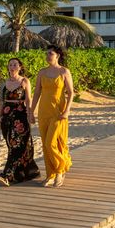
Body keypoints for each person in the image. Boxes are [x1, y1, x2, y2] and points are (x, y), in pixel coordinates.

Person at [29, 45, 73, 188]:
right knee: (45, 144)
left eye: (50, 54)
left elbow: (71, 93)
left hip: (58, 112)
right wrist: (31, 111)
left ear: (57, 56)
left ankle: (60, 169)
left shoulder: (64, 71)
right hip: (43, 111)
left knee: (52, 143)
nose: (47, 56)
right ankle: (50, 174)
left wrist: (67, 111)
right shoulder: (42, 72)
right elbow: (36, 93)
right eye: (46, 54)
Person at [0, 58, 40, 186]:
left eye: (15, 64)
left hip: (20, 116)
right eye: (10, 65)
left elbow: (28, 100)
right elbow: (0, 102)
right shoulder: (3, 84)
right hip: (6, 117)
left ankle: (7, 175)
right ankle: (24, 172)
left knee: (18, 145)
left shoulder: (24, 81)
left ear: (20, 67)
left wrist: (30, 114)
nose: (12, 67)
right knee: (11, 145)